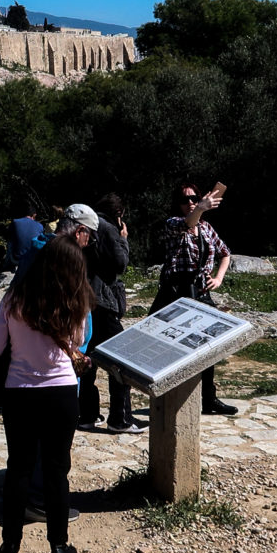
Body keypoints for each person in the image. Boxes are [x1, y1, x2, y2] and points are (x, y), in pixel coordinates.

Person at [0, 236, 93, 553]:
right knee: (56, 470)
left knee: (18, 468)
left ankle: (10, 545)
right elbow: (77, 341)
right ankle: (58, 546)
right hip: (60, 392)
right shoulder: (75, 300)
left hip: (19, 391)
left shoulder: (13, 298)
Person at [149, 182, 237, 416]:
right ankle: (170, 398)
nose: (189, 203)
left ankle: (208, 398)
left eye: (194, 198)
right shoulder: (173, 224)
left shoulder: (207, 228)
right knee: (171, 346)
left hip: (200, 291)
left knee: (209, 344)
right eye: (184, 199)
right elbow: (188, 222)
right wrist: (201, 207)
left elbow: (225, 253)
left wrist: (218, 278)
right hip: (175, 292)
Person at [78, 193, 147, 434]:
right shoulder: (108, 229)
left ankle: (87, 413)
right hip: (103, 301)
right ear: (120, 215)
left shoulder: (88, 226)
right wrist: (123, 239)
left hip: (84, 299)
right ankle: (120, 418)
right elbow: (120, 264)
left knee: (88, 358)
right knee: (121, 358)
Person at [5, 203, 44, 270]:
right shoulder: (40, 226)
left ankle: (6, 266)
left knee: (10, 241)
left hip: (17, 259)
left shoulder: (15, 222)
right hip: (32, 260)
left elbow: (9, 238)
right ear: (34, 215)